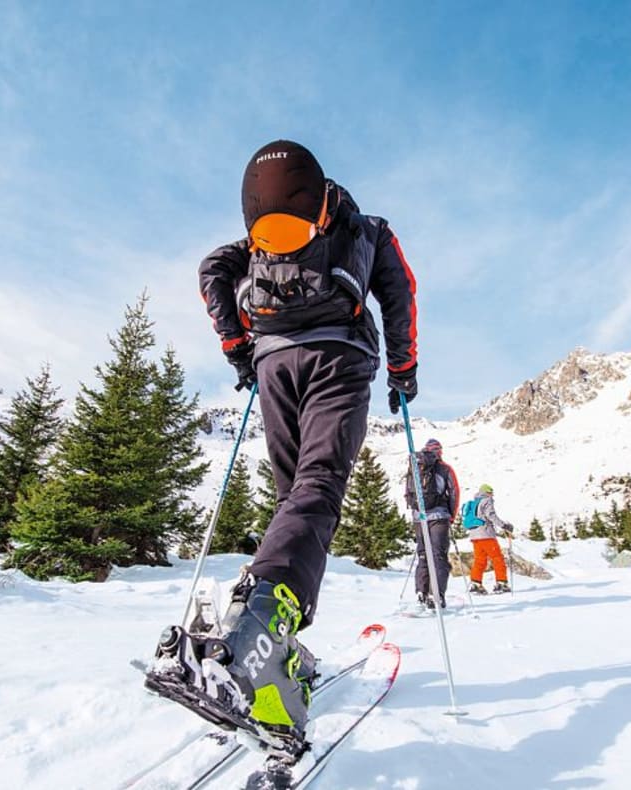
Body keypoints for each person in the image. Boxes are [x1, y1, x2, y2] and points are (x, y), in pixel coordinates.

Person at [196, 140, 418, 742]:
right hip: (338, 357)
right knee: (317, 488)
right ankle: (257, 634)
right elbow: (399, 293)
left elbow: (212, 270)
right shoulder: (367, 230)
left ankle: (273, 640)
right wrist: (403, 369)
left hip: (274, 363)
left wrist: (237, 348)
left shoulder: (257, 243)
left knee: (293, 497)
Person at [404, 438, 460, 610]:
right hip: (439, 517)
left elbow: (408, 493)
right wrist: (451, 516)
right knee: (438, 556)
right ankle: (437, 595)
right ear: (439, 452)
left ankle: (421, 592)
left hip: (419, 517)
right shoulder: (445, 468)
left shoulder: (414, 467)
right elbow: (454, 493)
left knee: (423, 554)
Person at [464, 483, 513, 594]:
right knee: (497, 558)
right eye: (491, 492)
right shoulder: (487, 500)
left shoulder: (475, 502)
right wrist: (504, 525)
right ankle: (501, 583)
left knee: (480, 560)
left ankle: (476, 584)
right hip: (486, 534)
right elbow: (491, 515)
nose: (492, 495)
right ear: (486, 492)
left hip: (474, 535)